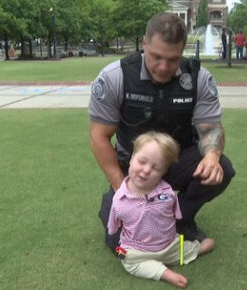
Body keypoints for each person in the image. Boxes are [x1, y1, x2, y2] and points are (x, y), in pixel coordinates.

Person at [89, 13, 236, 252]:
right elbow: (99, 136)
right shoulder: (116, 76)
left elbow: (211, 128)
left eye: (173, 59)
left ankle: (178, 222)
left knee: (223, 168)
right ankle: (130, 208)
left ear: (182, 52)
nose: (163, 67)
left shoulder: (198, 77)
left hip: (177, 161)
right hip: (133, 169)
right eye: (156, 57)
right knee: (119, 245)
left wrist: (211, 156)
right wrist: (122, 189)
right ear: (144, 43)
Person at [108, 131, 215, 288]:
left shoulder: (167, 193)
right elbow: (113, 227)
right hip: (137, 252)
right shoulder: (119, 199)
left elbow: (175, 215)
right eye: (142, 161)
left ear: (163, 172)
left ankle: (196, 250)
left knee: (184, 247)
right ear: (131, 158)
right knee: (126, 259)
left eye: (155, 168)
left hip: (169, 245)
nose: (146, 170)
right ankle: (164, 273)